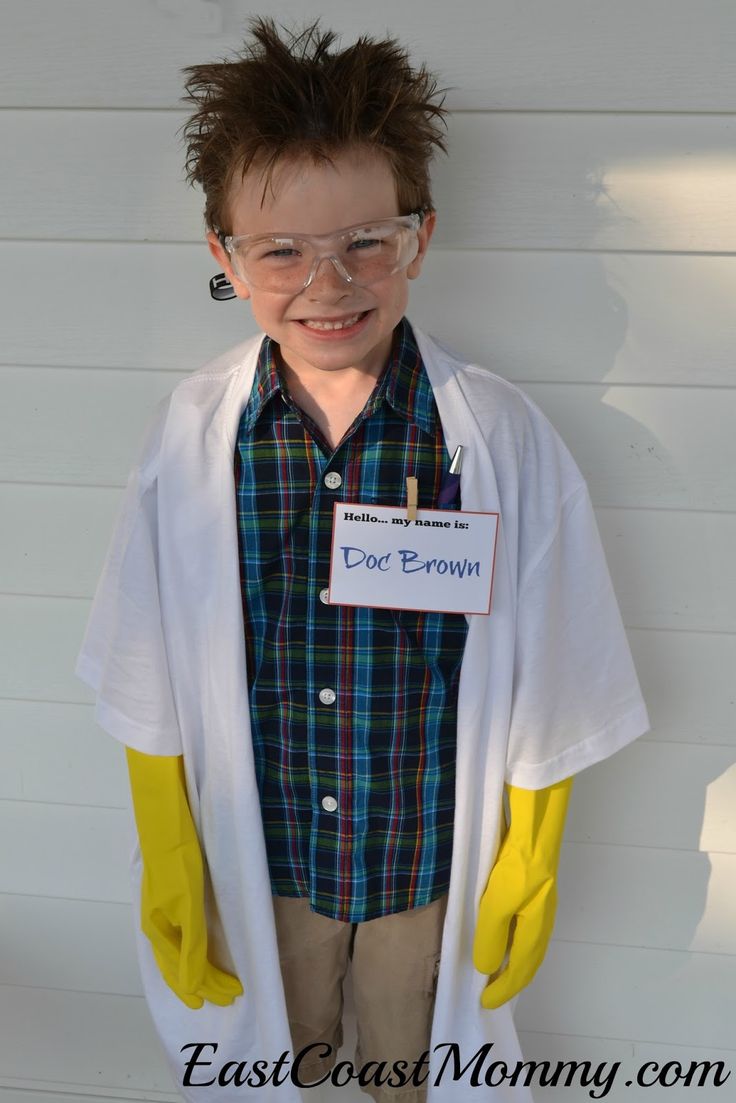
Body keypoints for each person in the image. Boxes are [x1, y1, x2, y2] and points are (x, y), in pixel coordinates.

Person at [74, 17, 650, 1103]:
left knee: (408, 1078)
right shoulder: (194, 435)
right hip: (267, 867)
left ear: (420, 238)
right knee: (262, 1068)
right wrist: (166, 845)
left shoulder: (492, 435)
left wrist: (532, 846)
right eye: (280, 249)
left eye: (365, 241)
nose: (326, 283)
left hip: (419, 874)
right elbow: (143, 642)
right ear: (225, 258)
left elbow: (561, 644)